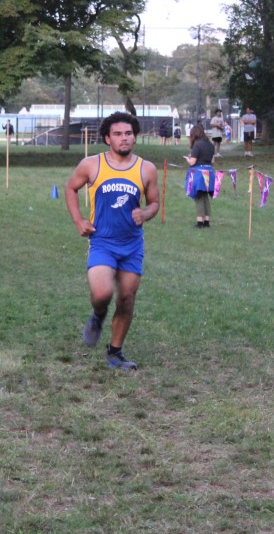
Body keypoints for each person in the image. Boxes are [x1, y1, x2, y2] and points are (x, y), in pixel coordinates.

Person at [65, 111, 160, 371]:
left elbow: (154, 203)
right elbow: (71, 188)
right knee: (102, 293)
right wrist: (79, 220)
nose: (124, 138)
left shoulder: (146, 169)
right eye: (118, 134)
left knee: (126, 299)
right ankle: (98, 315)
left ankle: (115, 352)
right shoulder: (91, 164)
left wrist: (145, 213)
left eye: (128, 133)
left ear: (135, 137)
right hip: (102, 242)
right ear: (108, 138)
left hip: (132, 245)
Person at [184, 124, 216, 228]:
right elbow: (213, 160)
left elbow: (192, 162)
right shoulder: (210, 145)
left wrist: (188, 159)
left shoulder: (197, 145)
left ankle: (200, 222)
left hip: (199, 174)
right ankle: (207, 221)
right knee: (205, 197)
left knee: (198, 197)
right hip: (209, 173)